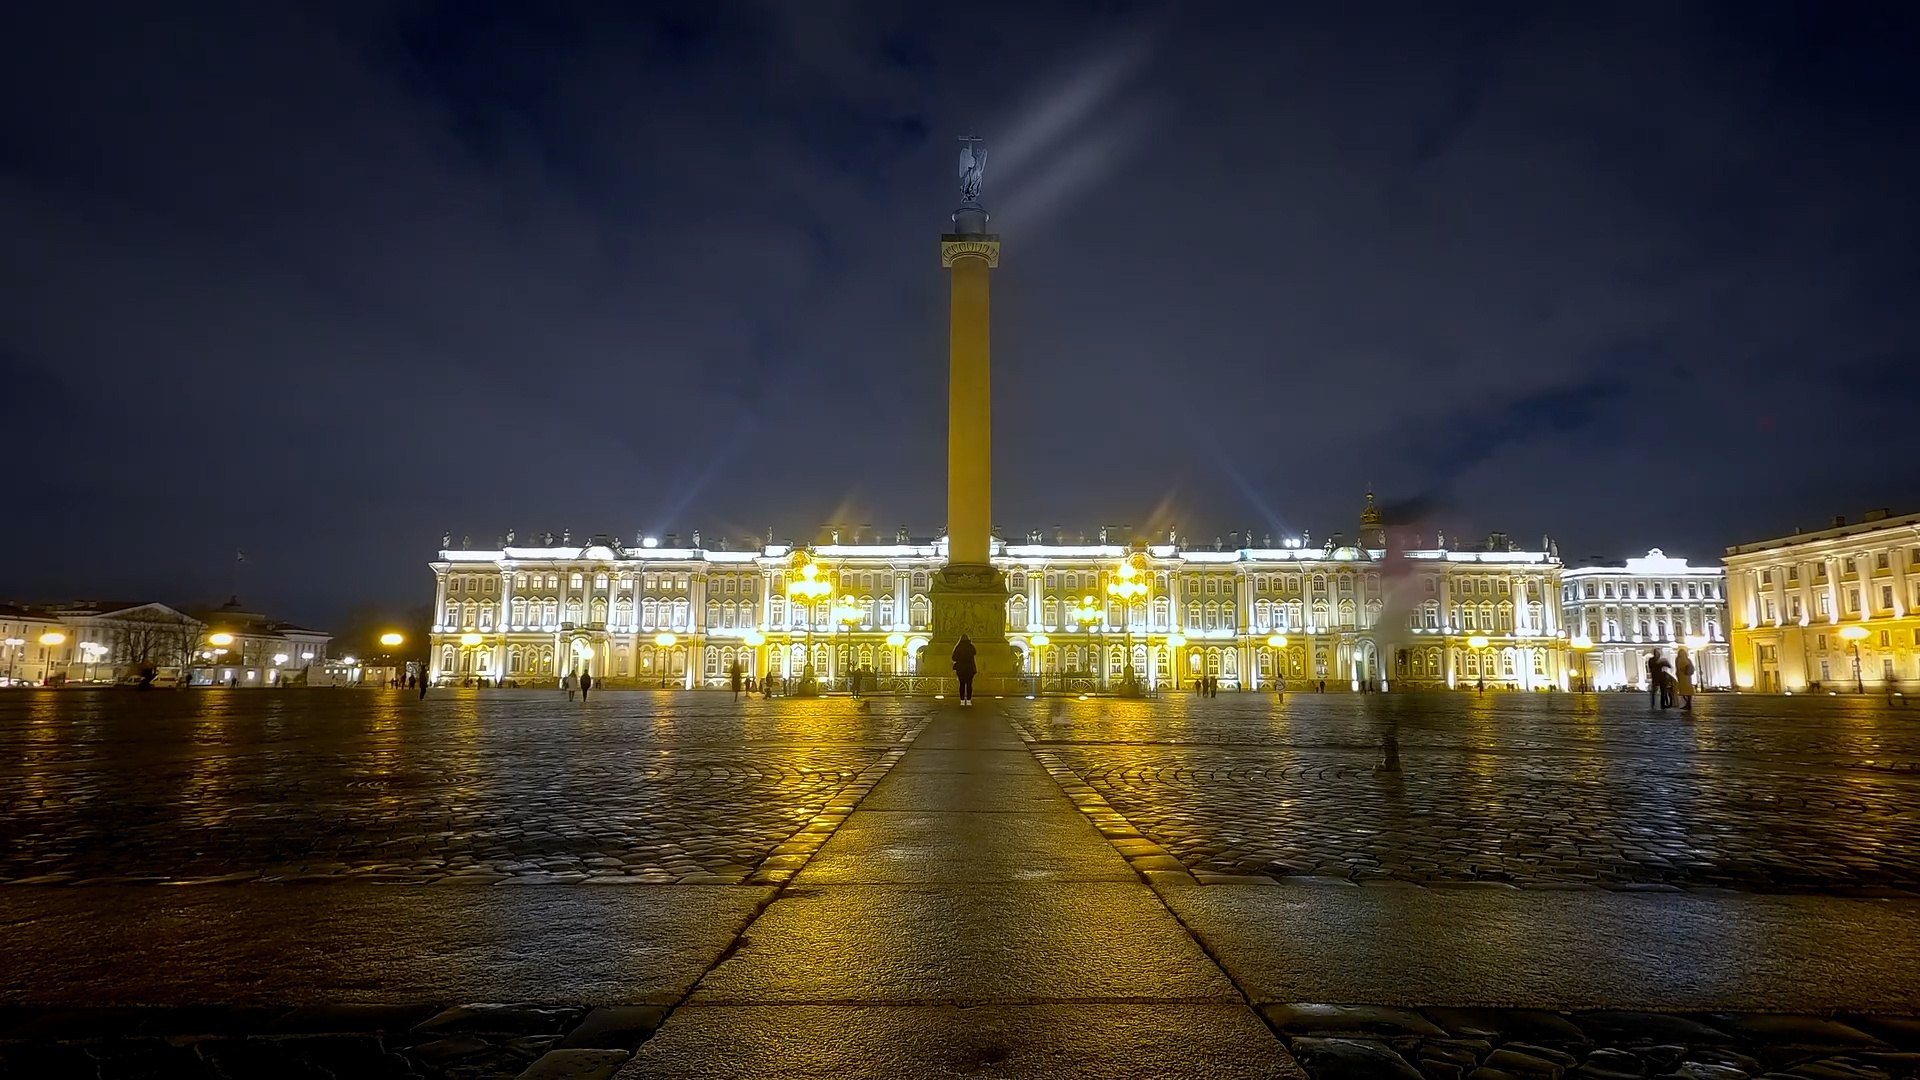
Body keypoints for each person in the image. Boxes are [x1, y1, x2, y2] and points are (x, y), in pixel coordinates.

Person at [952, 633, 977, 705]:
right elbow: (975, 653)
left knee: (962, 685)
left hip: (961, 668)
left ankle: (962, 700)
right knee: (969, 685)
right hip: (970, 668)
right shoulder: (971, 646)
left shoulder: (958, 647)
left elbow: (953, 658)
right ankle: (969, 700)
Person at [1675, 647, 1695, 711]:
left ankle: (1688, 704)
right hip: (1683, 676)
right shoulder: (1682, 659)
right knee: (1684, 691)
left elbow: (1691, 667)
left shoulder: (1684, 659)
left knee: (1686, 691)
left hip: (1686, 676)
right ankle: (1688, 703)